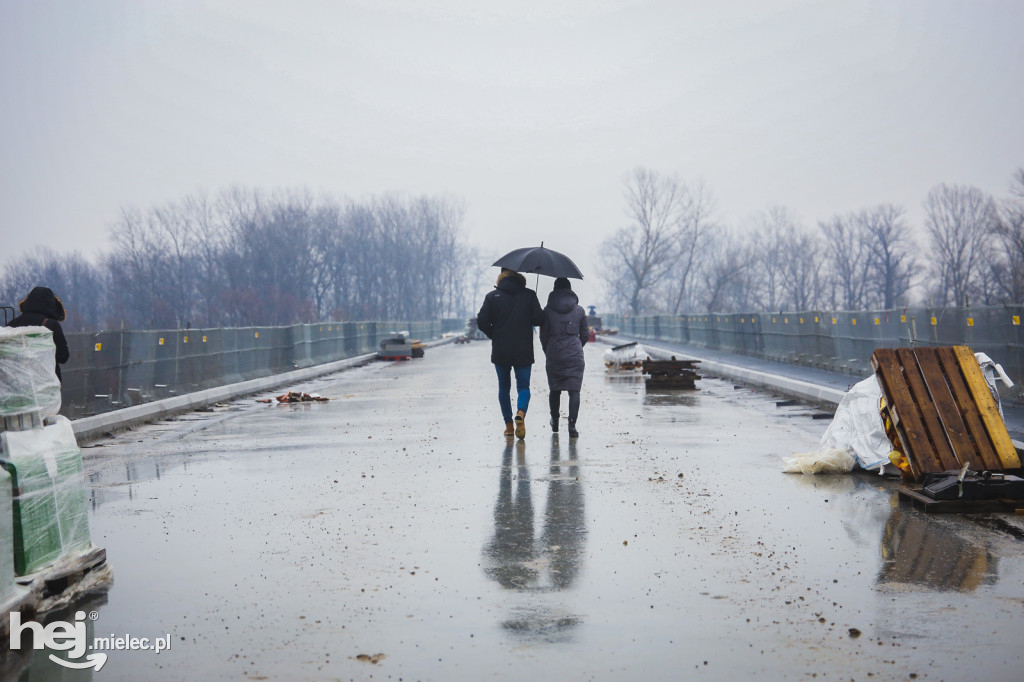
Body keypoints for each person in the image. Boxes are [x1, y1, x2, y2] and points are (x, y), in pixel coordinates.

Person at [476, 268, 545, 439]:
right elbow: (539, 320)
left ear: (501, 277)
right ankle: (520, 413)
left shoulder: (492, 297)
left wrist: (495, 334)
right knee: (524, 387)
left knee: (503, 388)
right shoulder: (529, 295)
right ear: (519, 276)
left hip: (501, 350)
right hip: (523, 350)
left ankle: (508, 426)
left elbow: (482, 321)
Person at [539, 277, 588, 438]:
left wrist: (549, 350)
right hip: (575, 355)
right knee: (574, 391)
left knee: (555, 389)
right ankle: (572, 426)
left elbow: (543, 336)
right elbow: (585, 335)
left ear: (554, 290)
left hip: (554, 354)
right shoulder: (579, 311)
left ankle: (555, 421)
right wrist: (576, 347)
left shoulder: (547, 311)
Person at [7, 286, 70, 383]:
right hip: (46, 384)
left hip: (18, 382)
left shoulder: (13, 324)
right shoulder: (51, 325)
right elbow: (63, 357)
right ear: (51, 304)